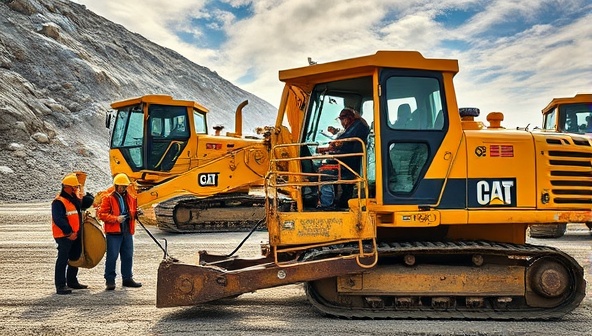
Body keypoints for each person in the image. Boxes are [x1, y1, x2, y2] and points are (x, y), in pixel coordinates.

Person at [317, 108, 370, 209]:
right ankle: (342, 202)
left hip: (350, 161)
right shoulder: (355, 126)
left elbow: (343, 139)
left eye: (342, 119)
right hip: (351, 158)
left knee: (325, 173)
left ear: (348, 118)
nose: (341, 122)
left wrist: (331, 146)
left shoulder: (358, 125)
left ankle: (326, 204)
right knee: (345, 185)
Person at [97, 173, 142, 290]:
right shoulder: (108, 198)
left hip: (127, 231)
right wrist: (116, 219)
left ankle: (127, 278)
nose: (123, 188)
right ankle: (110, 280)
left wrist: (136, 213)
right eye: (121, 186)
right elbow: (101, 214)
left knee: (128, 256)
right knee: (112, 256)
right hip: (114, 233)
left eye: (125, 186)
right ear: (116, 186)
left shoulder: (130, 198)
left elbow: (131, 211)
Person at [51, 173, 87, 295]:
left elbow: (85, 203)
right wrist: (69, 233)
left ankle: (72, 281)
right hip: (64, 236)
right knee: (63, 259)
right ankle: (60, 285)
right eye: (75, 187)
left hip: (74, 234)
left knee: (74, 258)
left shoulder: (73, 200)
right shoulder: (59, 202)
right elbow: (59, 219)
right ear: (67, 187)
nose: (76, 189)